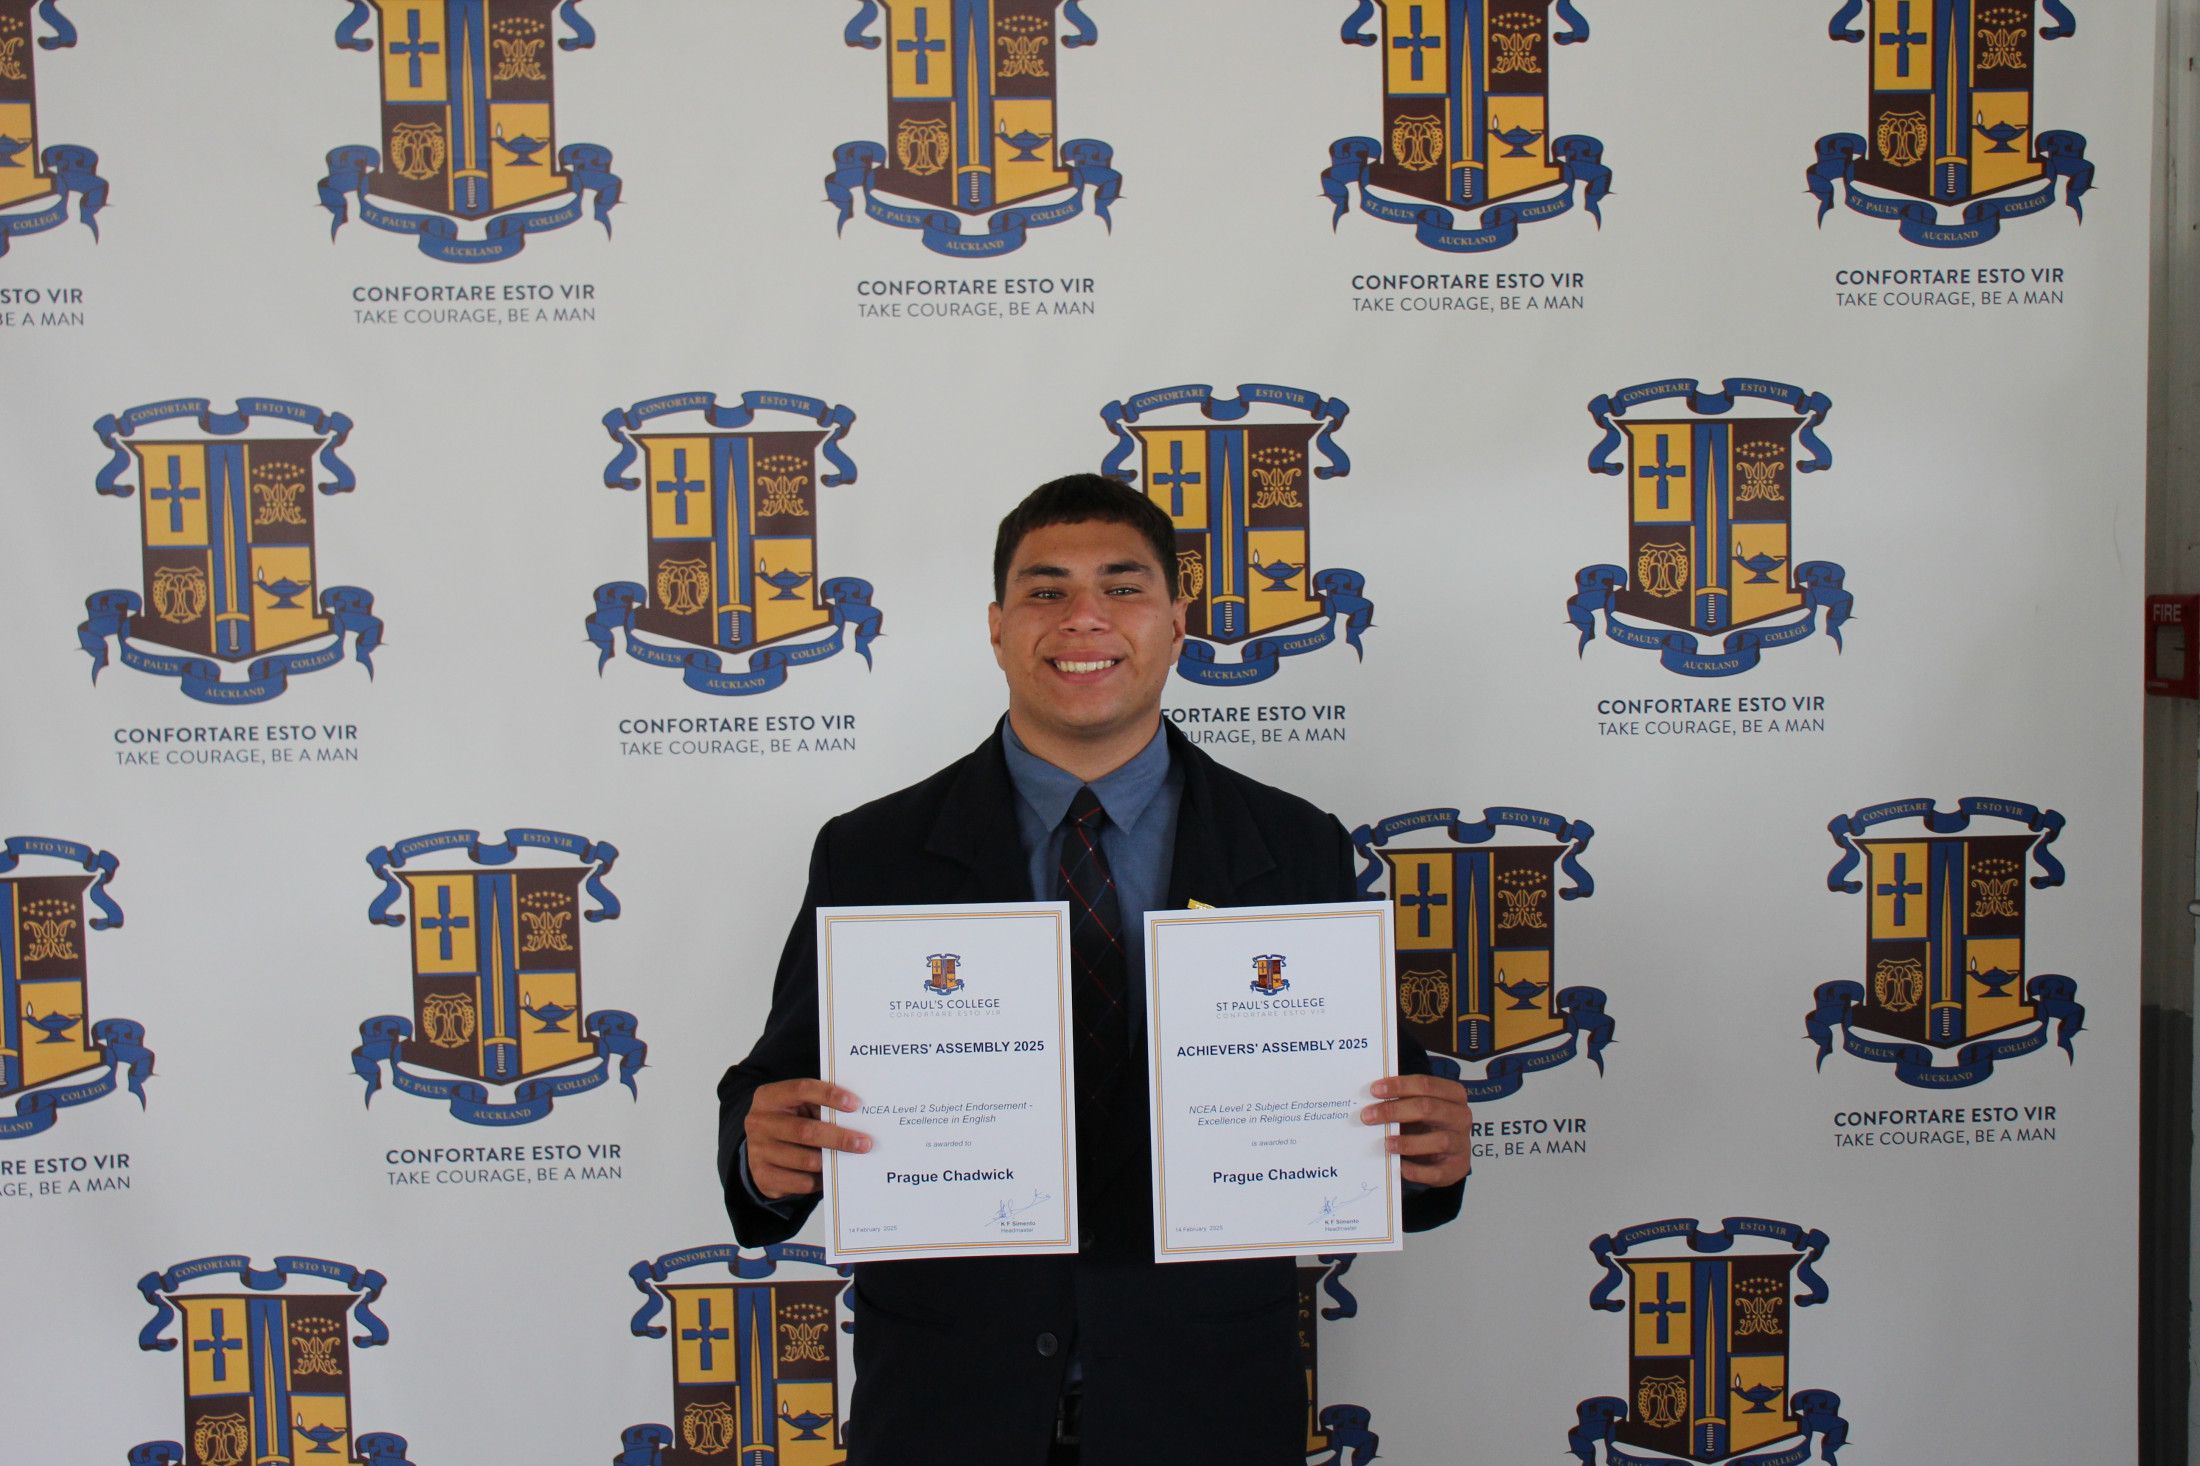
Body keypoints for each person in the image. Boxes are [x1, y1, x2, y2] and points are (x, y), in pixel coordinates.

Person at [717, 474, 1472, 1465]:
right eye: (1046, 590)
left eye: (1122, 586)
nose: (1084, 616)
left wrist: (1426, 1148)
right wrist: (762, 1151)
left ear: (1176, 622)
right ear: (998, 628)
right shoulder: (874, 852)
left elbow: (1379, 1112)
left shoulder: (1293, 845)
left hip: (1205, 1416)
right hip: (948, 1414)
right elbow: (776, 1084)